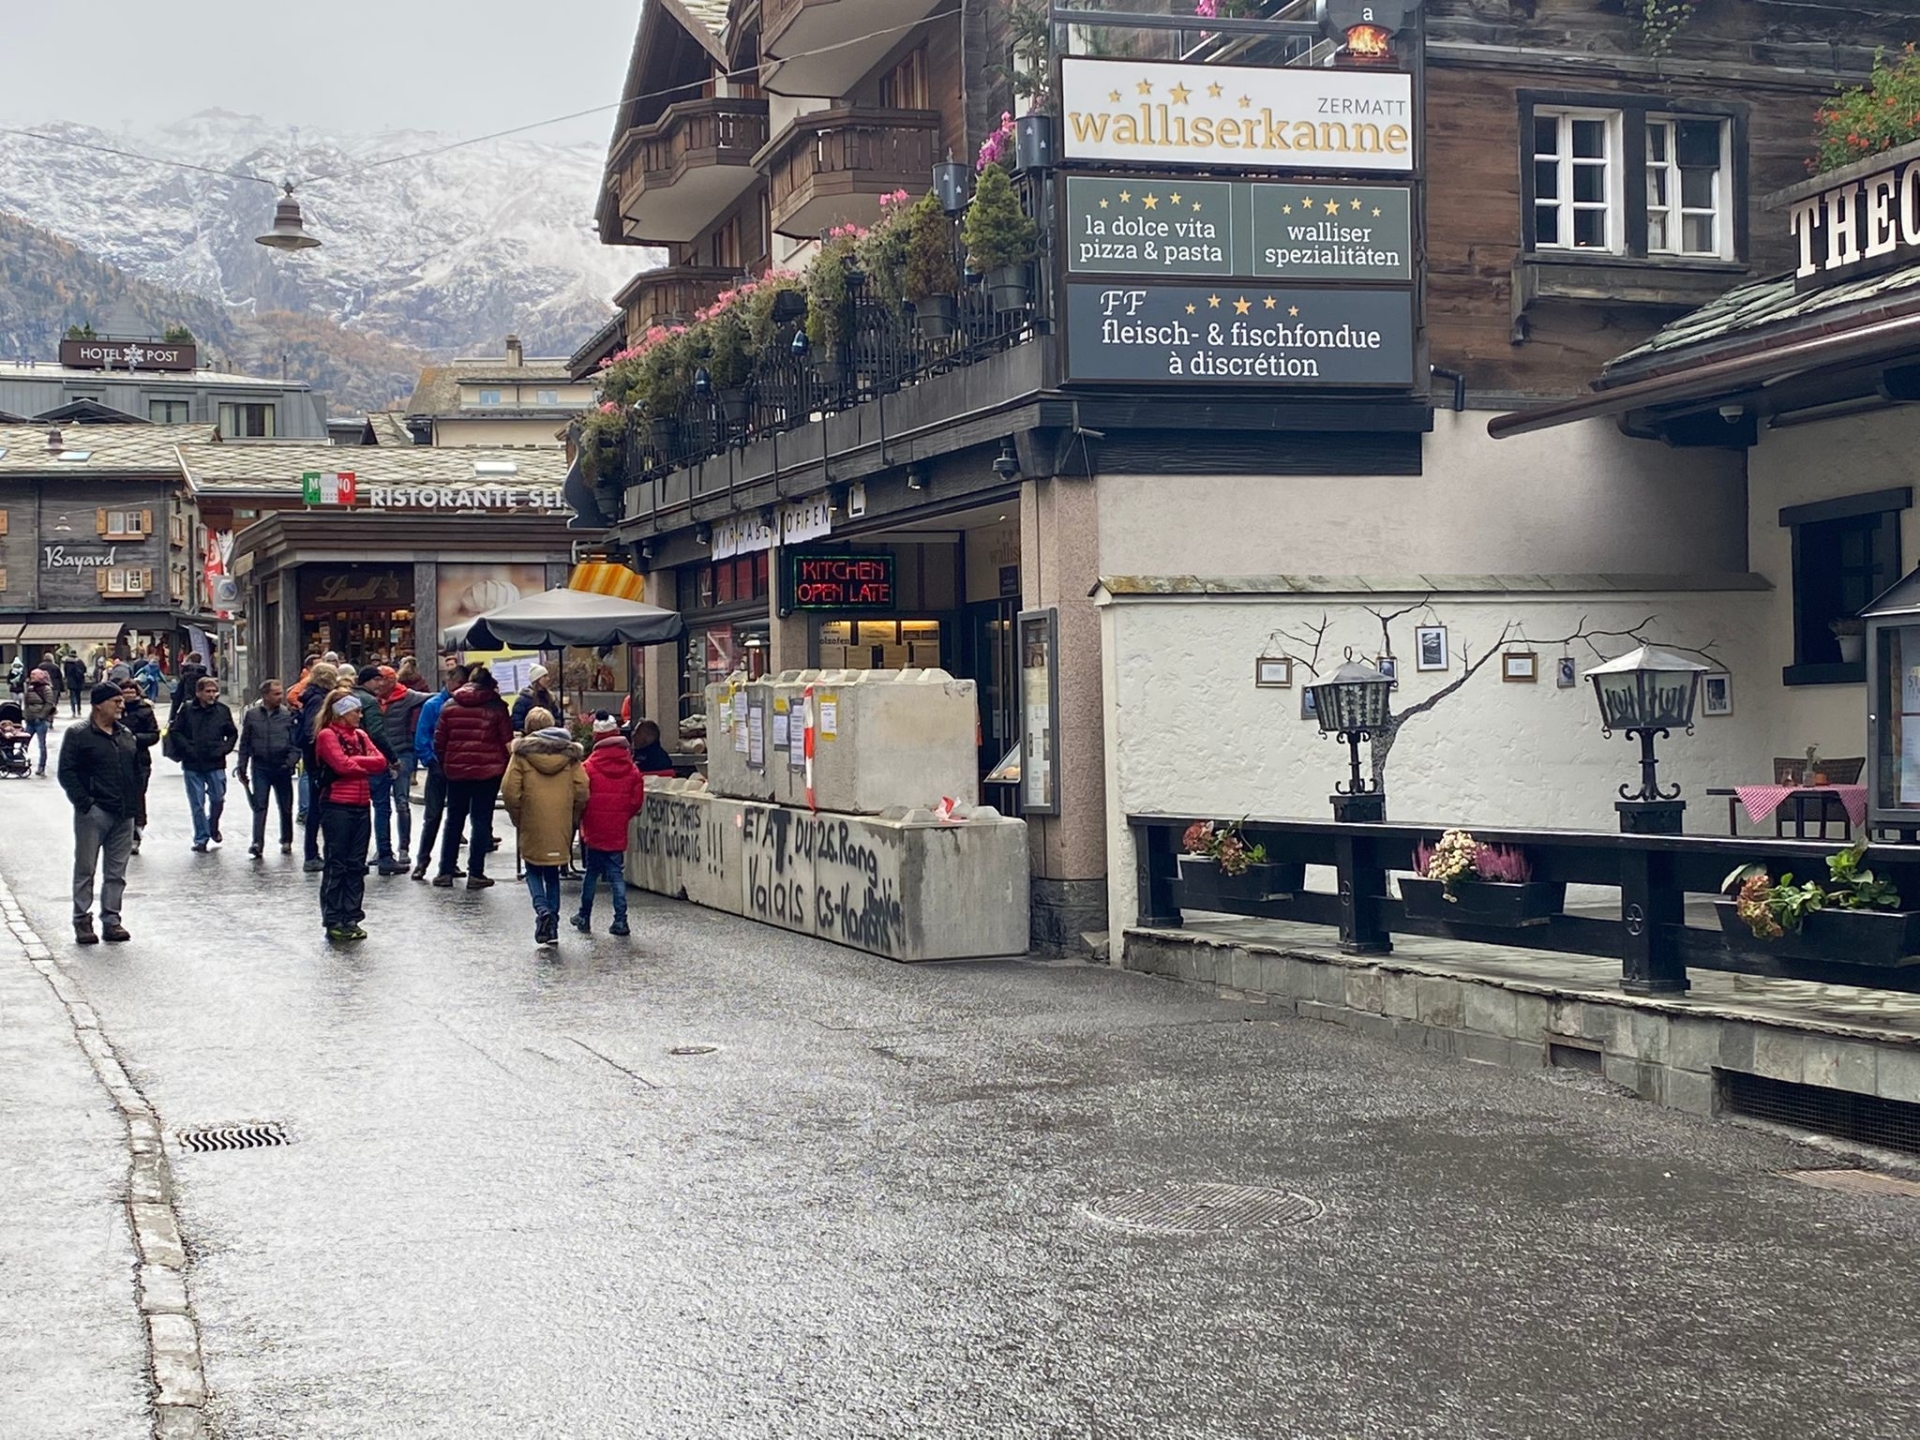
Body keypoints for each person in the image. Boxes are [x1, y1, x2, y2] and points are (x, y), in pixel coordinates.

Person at [57, 683, 141, 944]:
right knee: (86, 868)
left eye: (121, 701)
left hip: (123, 813)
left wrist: (136, 807)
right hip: (94, 812)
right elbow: (67, 772)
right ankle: (82, 919)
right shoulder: (79, 734)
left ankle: (112, 921)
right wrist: (85, 803)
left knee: (117, 872)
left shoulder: (126, 734)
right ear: (98, 704)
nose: (121, 705)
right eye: (115, 701)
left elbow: (136, 771)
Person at [501, 706, 587, 947]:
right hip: (560, 820)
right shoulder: (570, 756)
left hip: (531, 818)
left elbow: (509, 792)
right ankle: (554, 925)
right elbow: (582, 789)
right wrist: (573, 816)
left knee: (533, 869)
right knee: (552, 872)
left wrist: (518, 816)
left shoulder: (520, 755)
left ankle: (541, 909)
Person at [312, 691, 389, 944]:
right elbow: (341, 766)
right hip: (337, 805)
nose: (360, 715)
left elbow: (380, 761)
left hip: (360, 804)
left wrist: (355, 763)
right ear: (342, 713)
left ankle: (352, 916)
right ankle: (334, 918)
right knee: (337, 862)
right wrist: (360, 764)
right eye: (356, 711)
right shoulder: (327, 735)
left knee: (357, 863)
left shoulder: (361, 735)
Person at [431, 665, 513, 890]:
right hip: (488, 774)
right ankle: (475, 874)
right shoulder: (497, 707)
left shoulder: (450, 705)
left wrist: (447, 763)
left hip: (456, 772)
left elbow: (439, 741)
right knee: (481, 821)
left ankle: (445, 871)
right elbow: (507, 741)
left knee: (454, 819)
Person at [575, 714, 646, 937]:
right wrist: (623, 815)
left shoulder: (588, 767)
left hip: (594, 828)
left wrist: (583, 817)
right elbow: (636, 801)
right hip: (617, 829)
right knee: (616, 874)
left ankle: (584, 916)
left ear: (596, 737)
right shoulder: (632, 769)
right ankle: (621, 920)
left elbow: (581, 797)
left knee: (591, 874)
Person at [411, 664, 469, 881]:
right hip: (439, 767)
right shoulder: (434, 705)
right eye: (459, 684)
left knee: (456, 818)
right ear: (450, 682)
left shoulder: (463, 705)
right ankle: (422, 862)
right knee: (432, 816)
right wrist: (430, 761)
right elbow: (422, 736)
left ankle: (450, 862)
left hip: (456, 768)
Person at [168, 674, 237, 852]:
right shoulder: (187, 710)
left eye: (214, 691)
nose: (212, 695)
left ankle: (212, 824)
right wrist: (188, 748)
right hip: (193, 763)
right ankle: (201, 837)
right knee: (197, 803)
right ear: (199, 693)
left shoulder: (222, 710)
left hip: (215, 762)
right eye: (208, 691)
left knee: (218, 798)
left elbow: (232, 733)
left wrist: (224, 749)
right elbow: (175, 731)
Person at [237, 679, 301, 858]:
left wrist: (290, 762)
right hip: (260, 766)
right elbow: (245, 742)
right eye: (276, 694)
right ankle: (257, 842)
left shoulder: (288, 715)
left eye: (280, 693)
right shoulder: (252, 715)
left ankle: (286, 840)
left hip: (282, 766)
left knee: (286, 806)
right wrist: (242, 765)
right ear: (265, 695)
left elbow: (296, 743)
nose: (280, 697)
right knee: (259, 806)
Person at [350, 665, 405, 874]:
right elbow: (377, 733)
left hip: (352, 763)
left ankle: (356, 857)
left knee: (357, 811)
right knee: (382, 808)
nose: (380, 684)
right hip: (372, 763)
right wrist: (393, 758)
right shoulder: (370, 702)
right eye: (377, 680)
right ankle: (385, 856)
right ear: (367, 681)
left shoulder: (346, 698)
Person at [296, 662, 341, 873]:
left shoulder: (312, 696)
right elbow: (310, 732)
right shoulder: (318, 699)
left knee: (318, 807)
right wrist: (322, 753)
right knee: (317, 808)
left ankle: (314, 853)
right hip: (317, 762)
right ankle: (312, 855)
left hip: (314, 760)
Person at [380, 669, 427, 870]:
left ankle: (404, 847)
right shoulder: (374, 698)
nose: (379, 685)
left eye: (382, 681)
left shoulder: (406, 696)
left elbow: (430, 697)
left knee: (401, 802)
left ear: (391, 681)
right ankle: (384, 849)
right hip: (379, 756)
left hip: (402, 754)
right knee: (381, 805)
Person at [117, 678, 160, 855]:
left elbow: (154, 734)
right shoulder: (113, 710)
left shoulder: (145, 710)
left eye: (131, 692)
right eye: (124, 692)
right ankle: (122, 835)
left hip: (140, 759)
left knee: (137, 795)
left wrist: (136, 739)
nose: (128, 696)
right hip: (116, 760)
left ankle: (136, 831)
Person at [21, 668, 58, 776]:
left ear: (41, 676)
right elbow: (26, 703)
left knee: (41, 744)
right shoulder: (30, 687)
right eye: (31, 674)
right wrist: (25, 715)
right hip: (30, 720)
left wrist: (42, 716)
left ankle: (41, 766)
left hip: (40, 721)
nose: (32, 676)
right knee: (24, 742)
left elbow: (49, 703)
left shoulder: (46, 689)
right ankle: (20, 763)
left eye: (34, 674)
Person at [510, 663, 563, 731]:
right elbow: (516, 722)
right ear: (537, 679)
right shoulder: (523, 700)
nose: (548, 679)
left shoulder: (550, 697)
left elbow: (558, 717)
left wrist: (552, 725)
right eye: (544, 676)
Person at [168, 651, 209, 724]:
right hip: (203, 708)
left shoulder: (185, 676)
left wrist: (172, 717)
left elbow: (178, 697)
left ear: (190, 660)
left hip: (188, 706)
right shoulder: (206, 678)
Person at [61, 652, 87, 717]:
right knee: (78, 696)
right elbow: (84, 670)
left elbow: (65, 672)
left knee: (72, 696)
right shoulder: (80, 661)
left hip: (71, 682)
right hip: (79, 681)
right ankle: (79, 710)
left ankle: (73, 711)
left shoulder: (67, 662)